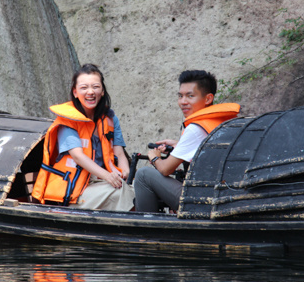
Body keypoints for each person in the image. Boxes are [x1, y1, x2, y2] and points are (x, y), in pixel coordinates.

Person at [134, 70, 240, 213]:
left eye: (190, 96)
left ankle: (146, 231)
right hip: (222, 194)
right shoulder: (220, 121)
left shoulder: (195, 129)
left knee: (143, 175)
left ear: (208, 99)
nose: (183, 102)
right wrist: (178, 145)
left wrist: (155, 158)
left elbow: (166, 169)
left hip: (202, 201)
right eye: (180, 96)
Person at [32, 64, 134, 211]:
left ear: (103, 91)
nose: (90, 92)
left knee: (136, 187)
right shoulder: (67, 120)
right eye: (84, 87)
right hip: (76, 190)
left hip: (103, 181)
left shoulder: (111, 118)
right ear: (75, 92)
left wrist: (125, 172)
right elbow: (78, 156)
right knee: (123, 193)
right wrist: (109, 177)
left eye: (96, 87)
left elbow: (119, 153)